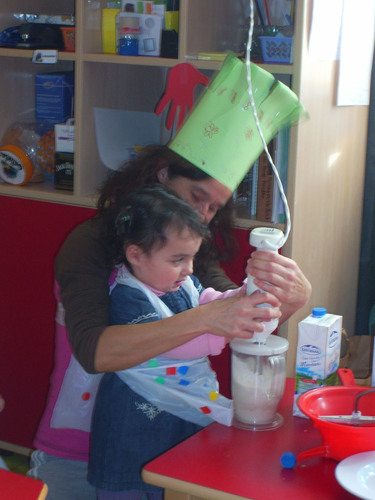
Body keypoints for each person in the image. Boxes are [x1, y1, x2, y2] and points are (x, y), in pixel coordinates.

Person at [29, 53, 311, 499]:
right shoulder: (90, 242)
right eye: (196, 196)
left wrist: (289, 298)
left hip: (169, 439)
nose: (202, 214)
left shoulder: (190, 253)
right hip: (78, 451)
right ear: (162, 175)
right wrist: (207, 319)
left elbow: (234, 321)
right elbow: (96, 352)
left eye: (214, 208)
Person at [89, 185, 249, 498]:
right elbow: (170, 346)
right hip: (130, 424)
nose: (188, 270)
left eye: (192, 258)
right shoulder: (127, 297)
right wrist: (217, 331)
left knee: (175, 477)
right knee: (131, 487)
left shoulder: (180, 281)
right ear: (135, 254)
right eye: (178, 259)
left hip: (174, 414)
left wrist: (237, 298)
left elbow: (205, 298)